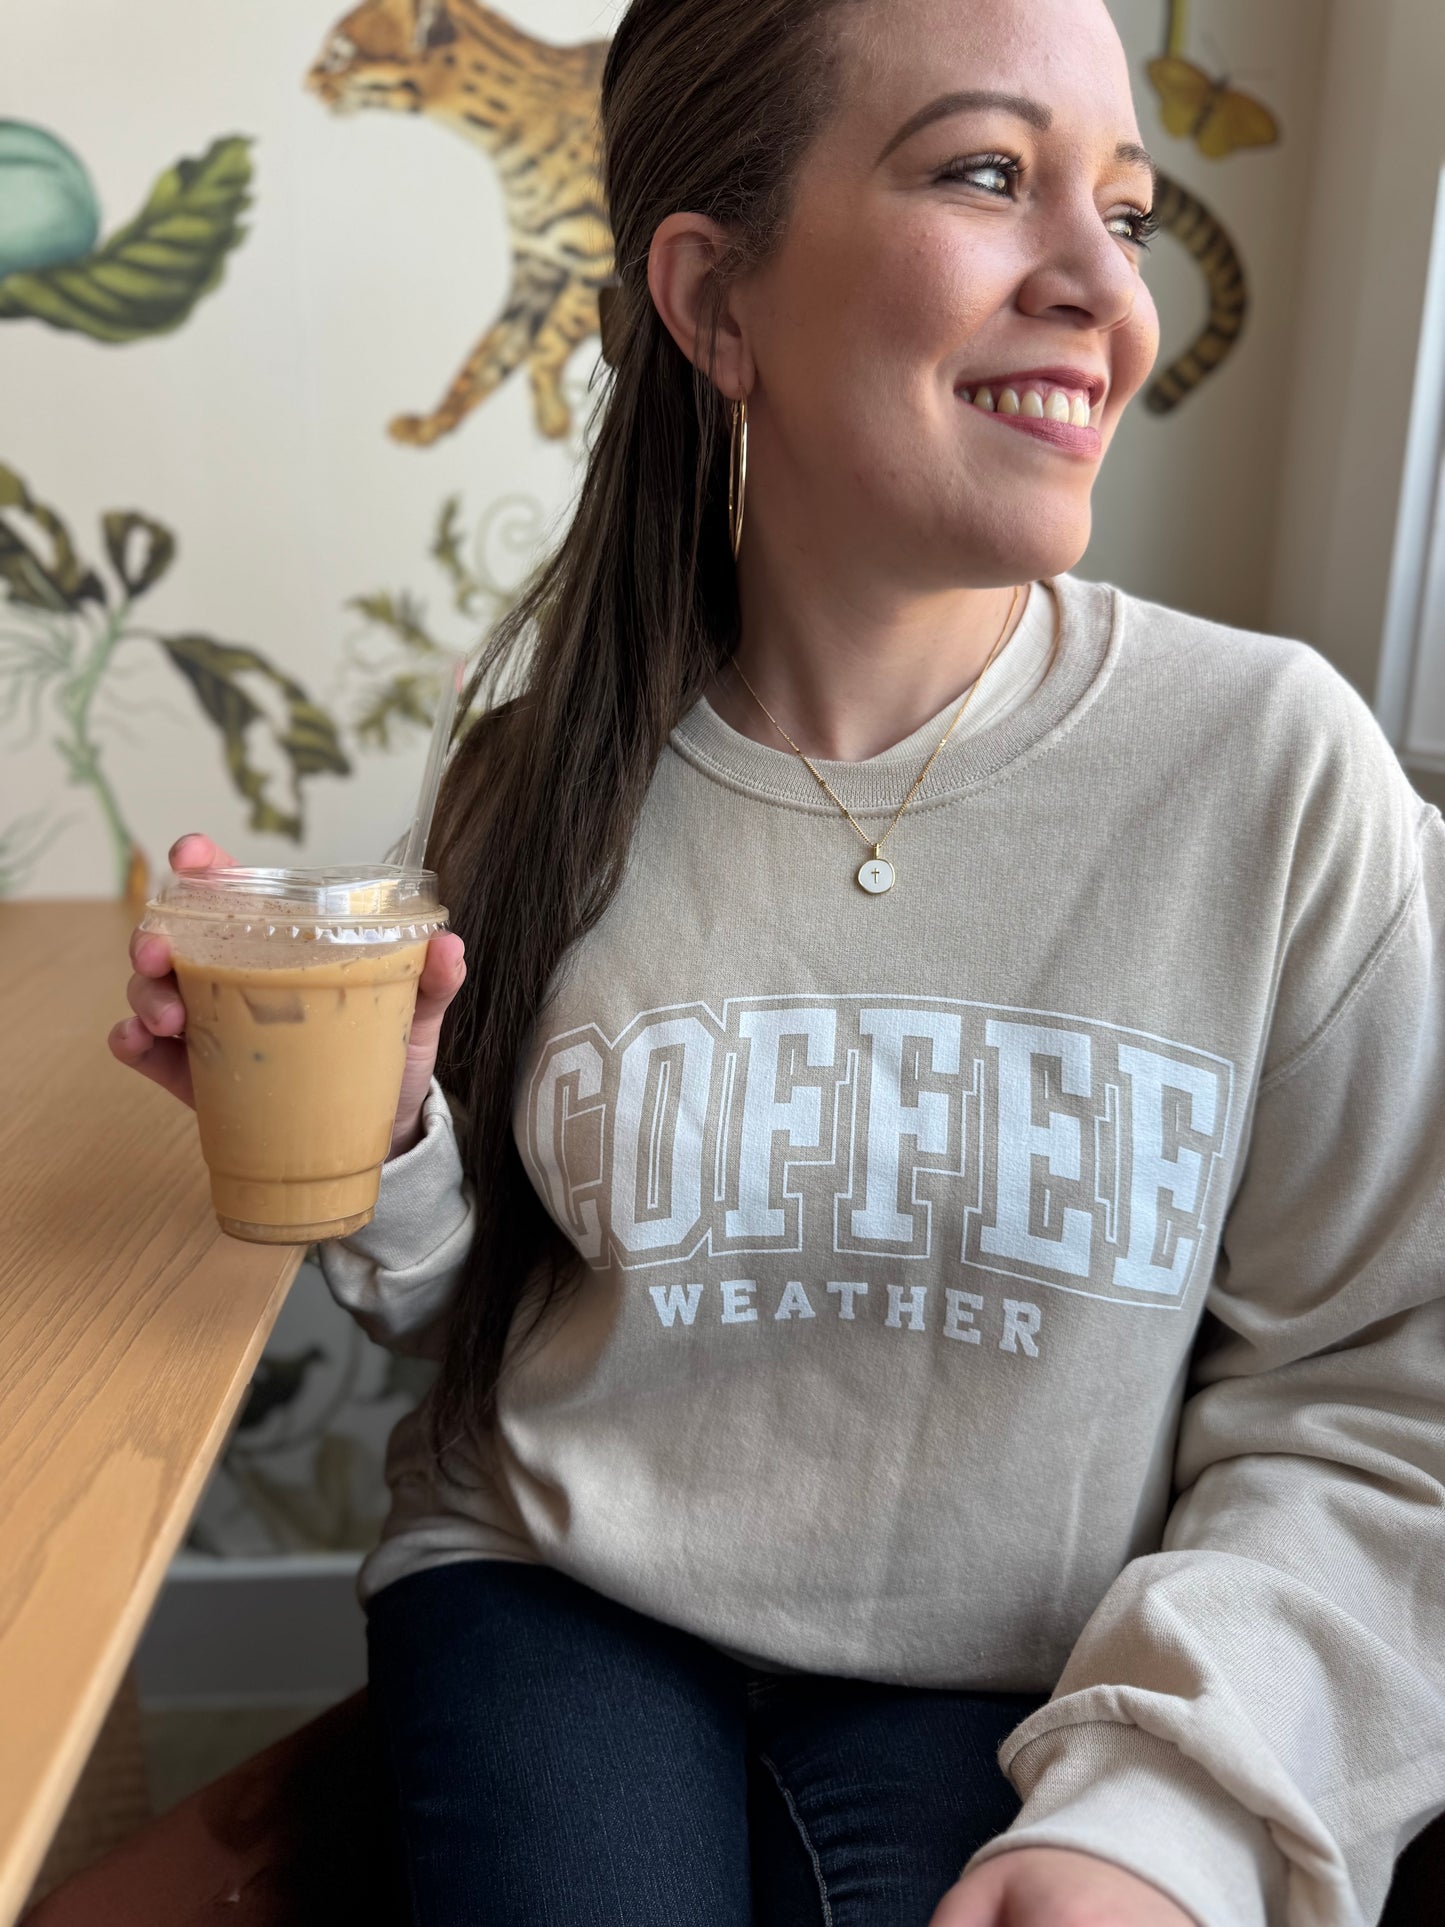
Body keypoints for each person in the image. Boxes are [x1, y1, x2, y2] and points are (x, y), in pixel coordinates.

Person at [110, 0, 1445, 1922]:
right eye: (988, 175)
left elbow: (1394, 1378)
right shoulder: (537, 770)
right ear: (714, 300)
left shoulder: (1268, 773)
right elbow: (462, 1307)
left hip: (1014, 1662)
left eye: (1128, 213)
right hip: (548, 1598)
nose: (1100, 288)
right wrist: (384, 1136)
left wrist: (1168, 1814)